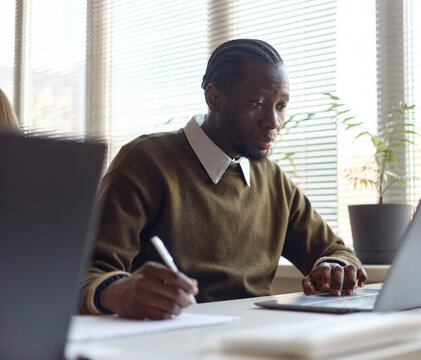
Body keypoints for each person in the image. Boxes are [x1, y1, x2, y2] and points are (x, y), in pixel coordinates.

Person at [81, 39, 367, 320]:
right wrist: (117, 290)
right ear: (214, 98)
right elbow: (87, 272)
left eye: (281, 106)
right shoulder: (145, 162)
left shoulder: (272, 179)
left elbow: (335, 250)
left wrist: (334, 266)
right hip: (172, 337)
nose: (274, 122)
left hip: (256, 336)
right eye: (258, 103)